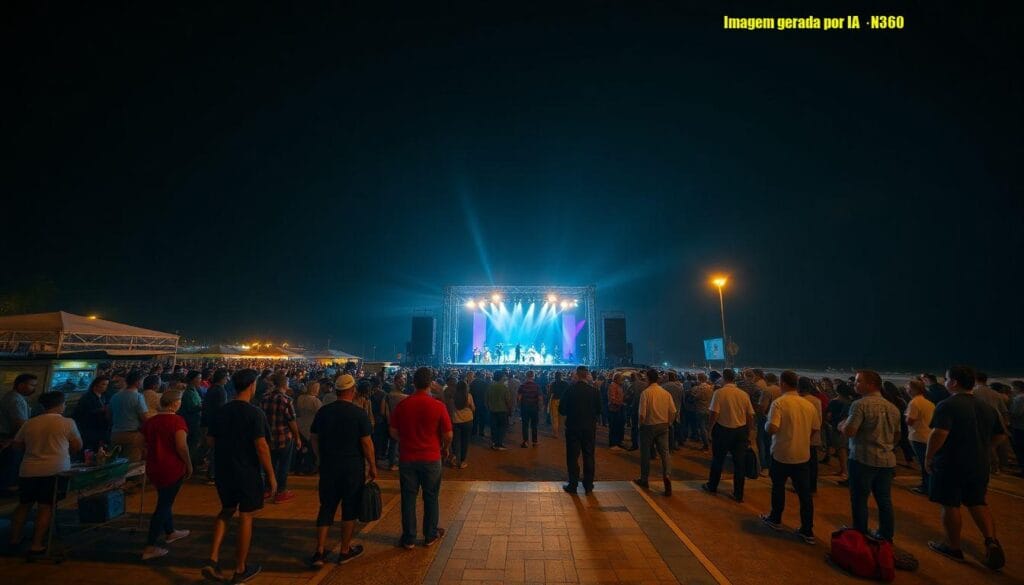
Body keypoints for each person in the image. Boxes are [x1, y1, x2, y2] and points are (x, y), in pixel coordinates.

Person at [924, 365, 1006, 570]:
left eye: (946, 379)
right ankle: (990, 540)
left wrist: (929, 457)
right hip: (979, 463)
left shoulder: (948, 405)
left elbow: (939, 434)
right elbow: (1001, 435)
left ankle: (952, 546)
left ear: (954, 382)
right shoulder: (986, 407)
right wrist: (984, 448)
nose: (944, 382)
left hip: (951, 463)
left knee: (950, 504)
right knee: (978, 502)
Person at [202, 368, 275, 584]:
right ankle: (240, 567)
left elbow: (210, 441)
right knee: (246, 516)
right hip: (247, 471)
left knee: (225, 511)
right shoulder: (255, 413)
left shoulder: (222, 411)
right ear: (252, 385)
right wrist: (271, 474)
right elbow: (261, 446)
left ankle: (213, 558)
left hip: (224, 471)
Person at [308, 373, 377, 567]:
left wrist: (319, 456)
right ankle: (345, 550)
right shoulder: (358, 414)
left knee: (326, 507)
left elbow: (314, 436)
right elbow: (366, 443)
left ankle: (319, 552)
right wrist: (372, 465)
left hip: (328, 466)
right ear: (353, 391)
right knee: (349, 509)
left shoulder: (324, 412)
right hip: (352, 468)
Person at [7, 391, 82, 557]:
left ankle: (14, 539)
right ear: (60, 404)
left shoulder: (30, 423)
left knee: (24, 504)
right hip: (55, 470)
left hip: (28, 469)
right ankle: (37, 544)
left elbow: (17, 445)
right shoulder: (67, 423)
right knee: (46, 506)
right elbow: (77, 445)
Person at [388, 367, 453, 549]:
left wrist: (406, 440)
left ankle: (409, 538)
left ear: (413, 383)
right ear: (431, 383)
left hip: (408, 457)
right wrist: (444, 448)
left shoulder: (403, 404)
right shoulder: (438, 406)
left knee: (408, 498)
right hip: (432, 457)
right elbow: (448, 434)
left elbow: (392, 431)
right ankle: (430, 535)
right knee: (431, 497)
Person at [839, 370, 901, 542]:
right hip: (886, 460)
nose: (854, 384)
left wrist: (841, 425)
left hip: (863, 459)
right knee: (884, 500)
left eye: (858, 381)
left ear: (871, 384)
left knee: (859, 498)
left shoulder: (860, 405)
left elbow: (850, 431)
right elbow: (897, 435)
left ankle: (859, 533)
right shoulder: (892, 407)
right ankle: (885, 535)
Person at [760, 371, 820, 545]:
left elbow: (772, 427)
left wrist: (766, 424)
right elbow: (816, 427)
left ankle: (776, 519)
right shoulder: (808, 404)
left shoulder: (779, 403)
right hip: (802, 455)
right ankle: (807, 530)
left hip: (781, 453)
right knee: (805, 495)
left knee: (778, 488)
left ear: (783, 383)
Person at [140, 390, 192, 560]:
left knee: (165, 499)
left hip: (154, 466)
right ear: (175, 403)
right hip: (171, 467)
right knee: (163, 505)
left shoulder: (151, 422)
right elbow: (181, 447)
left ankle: (170, 532)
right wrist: (189, 464)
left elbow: (143, 444)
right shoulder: (177, 421)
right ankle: (150, 545)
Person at [701, 369, 754, 502]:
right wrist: (749, 432)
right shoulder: (743, 394)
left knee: (718, 460)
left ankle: (712, 485)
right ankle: (738, 493)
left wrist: (710, 429)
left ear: (724, 378)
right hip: (740, 431)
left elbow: (714, 414)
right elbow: (750, 416)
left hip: (723, 430)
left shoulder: (719, 393)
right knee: (739, 464)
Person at [559, 366, 602, 494]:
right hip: (589, 428)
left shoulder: (570, 390)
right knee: (589, 455)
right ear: (587, 375)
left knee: (572, 456)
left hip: (573, 427)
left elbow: (561, 409)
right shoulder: (594, 391)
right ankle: (588, 485)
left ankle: (573, 484)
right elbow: (599, 410)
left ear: (577, 375)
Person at [260, 372, 301, 503]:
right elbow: (291, 421)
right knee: (283, 465)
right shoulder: (286, 400)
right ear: (284, 384)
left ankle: (267, 488)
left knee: (270, 463)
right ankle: (280, 491)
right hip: (284, 437)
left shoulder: (264, 398)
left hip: (268, 437)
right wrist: (297, 437)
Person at [634, 369, 676, 495]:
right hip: (663, 425)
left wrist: (640, 426)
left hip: (648, 426)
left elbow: (642, 414)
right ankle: (667, 476)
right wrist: (669, 423)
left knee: (645, 454)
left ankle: (644, 479)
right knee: (665, 453)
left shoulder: (646, 393)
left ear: (647, 378)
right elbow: (673, 411)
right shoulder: (665, 393)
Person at [109, 370, 151, 462]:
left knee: (116, 464)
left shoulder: (115, 396)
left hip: (115, 434)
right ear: (137, 382)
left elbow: (108, 415)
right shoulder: (138, 397)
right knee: (133, 465)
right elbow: (144, 418)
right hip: (132, 435)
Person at [905, 379, 936, 495]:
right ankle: (929, 485)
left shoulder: (914, 403)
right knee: (927, 463)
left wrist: (905, 419)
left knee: (923, 464)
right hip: (928, 435)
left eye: (908, 388)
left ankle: (926, 487)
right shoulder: (929, 403)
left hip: (917, 436)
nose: (907, 390)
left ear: (914, 389)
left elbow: (910, 420)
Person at [200, 369, 229, 483]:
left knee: (211, 448)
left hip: (208, 421)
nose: (227, 379)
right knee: (216, 449)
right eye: (226, 377)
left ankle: (208, 470)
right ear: (222, 378)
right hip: (215, 423)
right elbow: (221, 409)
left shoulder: (212, 388)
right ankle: (212, 474)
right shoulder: (220, 390)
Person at [73, 376, 111, 453]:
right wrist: (100, 410)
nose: (105, 387)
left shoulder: (105, 396)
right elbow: (82, 413)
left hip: (101, 428)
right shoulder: (87, 397)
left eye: (107, 385)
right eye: (103, 384)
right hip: (90, 429)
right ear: (95, 385)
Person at [295, 381, 323, 475]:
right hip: (311, 426)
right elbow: (321, 414)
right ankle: (309, 468)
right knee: (311, 450)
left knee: (301, 449)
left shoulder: (300, 398)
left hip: (300, 425)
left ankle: (299, 467)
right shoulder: (315, 401)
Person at [450, 375, 475, 469]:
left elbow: (451, 408)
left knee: (455, 441)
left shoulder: (453, 396)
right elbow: (473, 408)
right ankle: (462, 461)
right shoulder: (468, 396)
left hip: (456, 421)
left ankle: (455, 459)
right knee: (465, 441)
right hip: (467, 421)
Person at [486, 371, 512, 450]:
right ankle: (499, 444)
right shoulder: (504, 388)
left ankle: (494, 442)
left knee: (494, 427)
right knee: (502, 427)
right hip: (502, 411)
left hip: (492, 411)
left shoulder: (490, 387)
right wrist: (509, 410)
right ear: (501, 377)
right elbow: (508, 401)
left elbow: (486, 399)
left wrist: (489, 408)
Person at [518, 371, 542, 447]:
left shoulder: (522, 386)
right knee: (534, 425)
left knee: (525, 425)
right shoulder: (537, 386)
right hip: (534, 408)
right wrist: (540, 407)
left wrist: (519, 407)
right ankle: (534, 442)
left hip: (524, 408)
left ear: (526, 376)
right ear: (533, 376)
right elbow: (540, 398)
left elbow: (519, 398)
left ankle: (525, 442)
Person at [548, 371, 569, 439]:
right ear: (561, 376)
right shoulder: (565, 383)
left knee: (554, 417)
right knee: (562, 417)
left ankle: (556, 433)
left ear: (555, 376)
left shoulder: (553, 383)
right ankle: (561, 431)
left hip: (554, 400)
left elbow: (550, 393)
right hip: (563, 401)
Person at [607, 373, 626, 449]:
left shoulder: (619, 386)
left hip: (619, 409)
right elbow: (612, 399)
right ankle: (613, 444)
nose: (622, 381)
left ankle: (618, 442)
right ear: (616, 379)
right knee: (613, 427)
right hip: (614, 410)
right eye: (621, 379)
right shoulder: (612, 386)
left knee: (618, 427)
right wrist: (621, 403)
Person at [469, 371, 490, 438]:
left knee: (475, 418)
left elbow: (470, 393)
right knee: (482, 418)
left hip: (475, 403)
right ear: (481, 376)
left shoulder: (472, 383)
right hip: (483, 403)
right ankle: (481, 432)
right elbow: (487, 394)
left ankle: (474, 432)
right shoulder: (484, 383)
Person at [1010, 381, 1024, 478]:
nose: (1013, 390)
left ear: (1018, 388)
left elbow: (1016, 413)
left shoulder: (1019, 399)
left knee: (1020, 449)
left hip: (1019, 427)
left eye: (1014, 388)